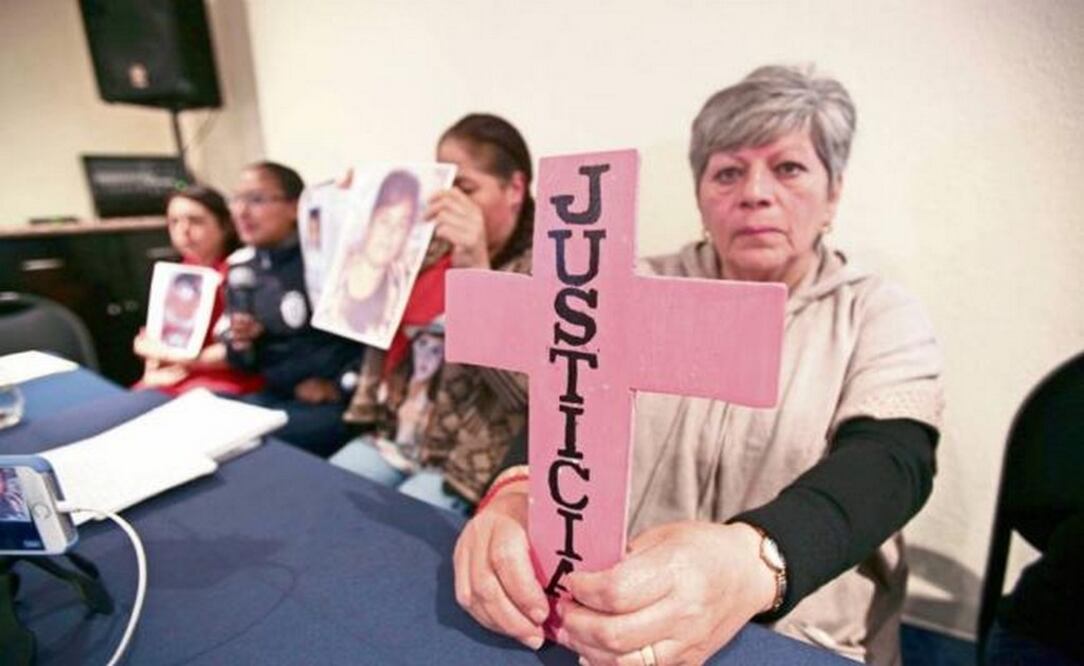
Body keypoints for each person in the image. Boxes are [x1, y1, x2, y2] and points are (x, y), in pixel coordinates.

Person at [452, 65, 945, 666]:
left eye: (788, 168)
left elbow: (891, 464)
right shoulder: (630, 287)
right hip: (610, 616)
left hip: (795, 633)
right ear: (700, 197)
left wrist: (750, 561)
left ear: (834, 191)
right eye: (728, 171)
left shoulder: (877, 314)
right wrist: (514, 494)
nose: (756, 192)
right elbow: (565, 397)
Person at [330, 113, 534, 513]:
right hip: (395, 432)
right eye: (444, 185)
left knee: (402, 528)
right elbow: (361, 315)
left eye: (466, 188)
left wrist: (476, 269)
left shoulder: (550, 263)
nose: (448, 203)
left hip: (464, 457)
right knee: (326, 499)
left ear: (514, 189)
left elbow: (526, 390)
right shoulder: (426, 244)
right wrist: (353, 220)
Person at [225, 161, 364, 457]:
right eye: (236, 199)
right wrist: (241, 343)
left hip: (331, 404)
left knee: (252, 445)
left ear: (295, 207)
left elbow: (372, 337)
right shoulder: (242, 271)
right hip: (274, 399)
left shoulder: (330, 262)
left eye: (256, 199)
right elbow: (242, 362)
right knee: (211, 414)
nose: (241, 211)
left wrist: (337, 387)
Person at [132, 185, 264, 396]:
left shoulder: (243, 274)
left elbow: (249, 350)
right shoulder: (174, 275)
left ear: (225, 225)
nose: (183, 230)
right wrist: (149, 360)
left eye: (195, 221)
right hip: (173, 376)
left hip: (222, 380)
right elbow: (160, 340)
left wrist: (183, 360)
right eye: (174, 222)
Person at [333, 170, 423, 340]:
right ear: (368, 220)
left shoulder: (404, 285)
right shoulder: (334, 270)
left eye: (402, 225)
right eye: (384, 220)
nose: (391, 232)